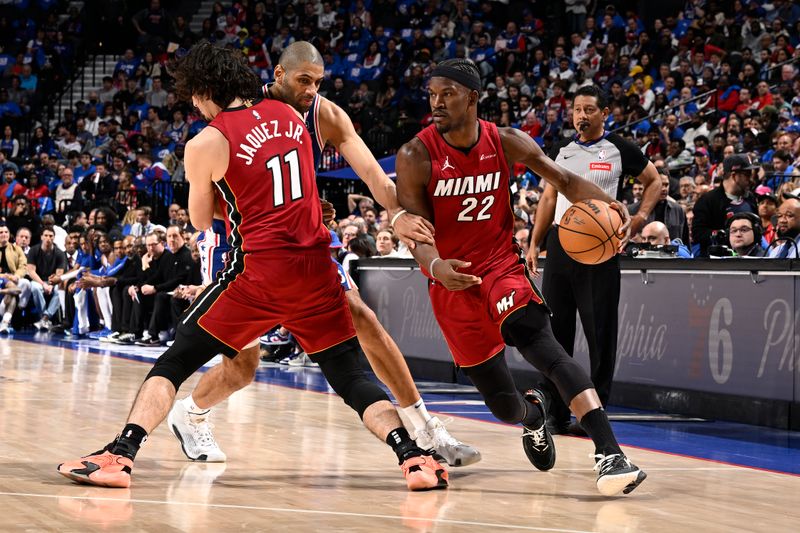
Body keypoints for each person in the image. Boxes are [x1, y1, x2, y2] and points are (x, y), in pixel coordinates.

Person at [58, 41, 446, 492]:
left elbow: (202, 221)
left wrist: (232, 195)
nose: (196, 107)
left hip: (259, 274)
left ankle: (120, 455)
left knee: (175, 361)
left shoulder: (206, 140)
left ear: (205, 89)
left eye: (195, 98)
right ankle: (414, 457)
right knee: (351, 375)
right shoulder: (292, 117)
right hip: (317, 270)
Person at [167, 41, 479, 468]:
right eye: (304, 81)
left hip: (300, 245)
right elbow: (218, 188)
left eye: (318, 82)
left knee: (362, 316)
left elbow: (372, 173)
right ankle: (191, 412)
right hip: (234, 241)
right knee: (242, 366)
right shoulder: (240, 107)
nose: (312, 90)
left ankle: (424, 427)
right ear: (278, 75)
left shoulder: (325, 114)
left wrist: (399, 213)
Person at [396, 59, 646, 496]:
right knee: (503, 405)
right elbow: (416, 231)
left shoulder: (506, 141)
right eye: (432, 94)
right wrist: (435, 266)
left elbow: (565, 180)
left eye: (447, 94)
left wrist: (609, 204)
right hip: (450, 281)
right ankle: (533, 416)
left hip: (500, 267)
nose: (435, 103)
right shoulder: (415, 154)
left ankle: (610, 452)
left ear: (472, 98)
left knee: (542, 346)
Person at [531, 85, 661, 435]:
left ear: (604, 113)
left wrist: (639, 217)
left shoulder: (620, 149)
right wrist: (534, 243)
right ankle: (556, 410)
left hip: (600, 245)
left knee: (599, 331)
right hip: (560, 241)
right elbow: (547, 198)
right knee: (555, 332)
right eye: (576, 109)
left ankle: (594, 412)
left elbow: (654, 181)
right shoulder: (561, 151)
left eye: (589, 109)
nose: (581, 115)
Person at [692, 154, 758, 257]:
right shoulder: (708, 201)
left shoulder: (751, 198)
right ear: (734, 175)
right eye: (747, 174)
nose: (751, 179)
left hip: (750, 259)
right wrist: (722, 235)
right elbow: (698, 233)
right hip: (718, 262)